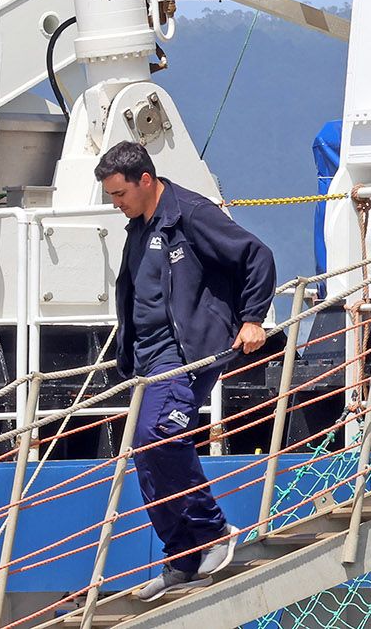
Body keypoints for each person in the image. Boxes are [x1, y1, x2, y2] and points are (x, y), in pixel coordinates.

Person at [98, 140, 275, 600]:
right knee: (144, 451)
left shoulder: (190, 214)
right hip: (149, 361)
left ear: (145, 180)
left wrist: (253, 318)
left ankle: (214, 532)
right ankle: (182, 558)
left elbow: (256, 255)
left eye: (119, 194)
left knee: (161, 437)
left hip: (187, 353)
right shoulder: (138, 226)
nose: (115, 204)